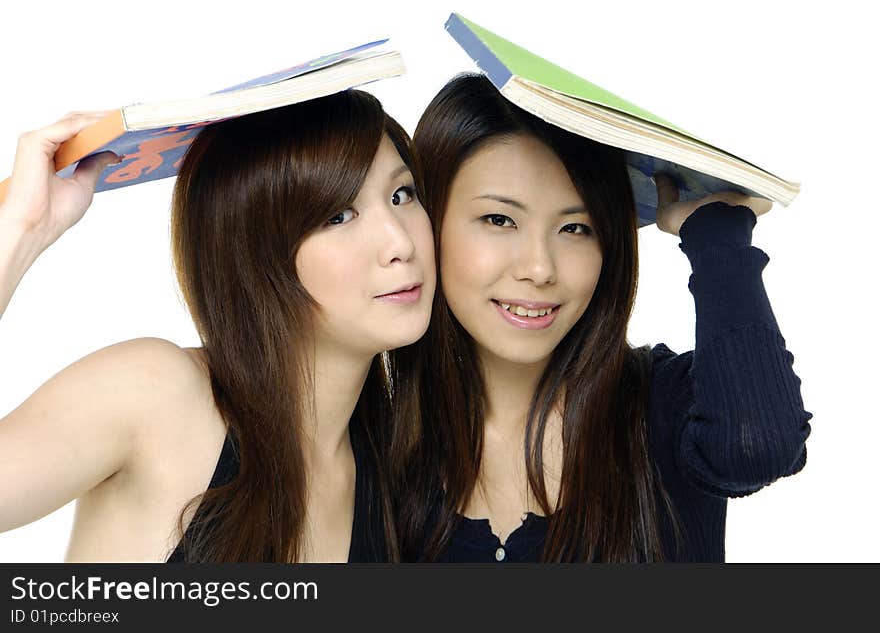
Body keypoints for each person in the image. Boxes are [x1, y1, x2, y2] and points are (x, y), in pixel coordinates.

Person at [0, 90, 435, 562]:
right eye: (338, 215)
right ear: (255, 253)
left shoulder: (395, 478)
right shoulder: (159, 396)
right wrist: (21, 230)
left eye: (401, 195)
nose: (399, 242)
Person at [397, 73, 811, 562]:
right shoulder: (379, 441)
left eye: (576, 228)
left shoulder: (661, 408)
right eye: (500, 220)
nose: (539, 269)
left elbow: (758, 442)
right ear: (428, 225)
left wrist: (717, 240)